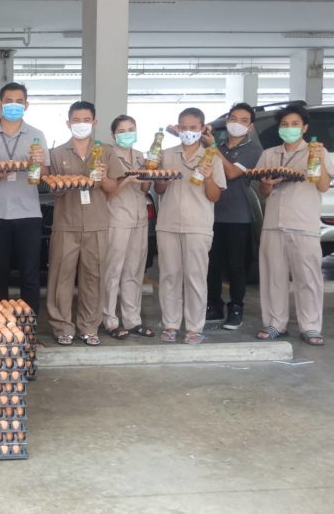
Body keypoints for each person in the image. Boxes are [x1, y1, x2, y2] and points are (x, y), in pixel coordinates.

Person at [46, 100, 125, 346]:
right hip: (65, 223)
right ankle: (62, 326)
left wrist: (103, 178)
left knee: (94, 276)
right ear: (68, 123)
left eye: (86, 120)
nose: (81, 124)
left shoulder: (106, 152)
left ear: (95, 122)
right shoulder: (57, 153)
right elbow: (53, 190)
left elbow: (113, 188)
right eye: (76, 120)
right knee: (61, 276)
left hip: (96, 222)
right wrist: (61, 183)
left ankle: (89, 327)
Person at [255, 103, 332, 345]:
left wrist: (318, 160)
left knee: (308, 277)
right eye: (285, 124)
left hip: (304, 224)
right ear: (279, 128)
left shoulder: (318, 151)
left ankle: (310, 327)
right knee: (273, 276)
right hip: (273, 224)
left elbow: (323, 186)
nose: (289, 128)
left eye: (295, 124)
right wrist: (267, 183)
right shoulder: (269, 154)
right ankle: (275, 323)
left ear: (304, 127)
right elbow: (264, 191)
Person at [154, 107, 226, 345]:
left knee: (195, 277)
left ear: (202, 129)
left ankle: (195, 327)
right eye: (183, 127)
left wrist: (208, 176)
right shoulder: (166, 154)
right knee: (169, 276)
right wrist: (162, 181)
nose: (188, 131)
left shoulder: (212, 157)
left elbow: (215, 196)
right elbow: (159, 189)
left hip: (198, 225)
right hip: (168, 224)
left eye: (193, 127)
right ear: (177, 128)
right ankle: (171, 324)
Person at [0, 82, 48, 312]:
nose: (14, 105)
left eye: (19, 101)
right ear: (0, 103)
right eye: (9, 101)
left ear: (26, 105)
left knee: (29, 274)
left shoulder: (36, 135)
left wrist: (38, 165)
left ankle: (29, 325)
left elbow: (44, 176)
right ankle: (1, 327)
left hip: (28, 213)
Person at [204, 102, 263, 330]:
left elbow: (231, 173)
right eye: (233, 118)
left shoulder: (252, 149)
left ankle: (236, 307)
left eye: (243, 120)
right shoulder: (219, 145)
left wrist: (212, 148)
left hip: (238, 216)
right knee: (212, 264)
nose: (236, 124)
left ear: (250, 127)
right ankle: (214, 306)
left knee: (236, 265)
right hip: (212, 214)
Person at [101, 115, 154, 339]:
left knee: (134, 270)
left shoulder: (141, 156)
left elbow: (144, 190)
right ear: (114, 135)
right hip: (117, 217)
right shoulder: (107, 155)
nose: (127, 134)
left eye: (131, 129)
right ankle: (109, 320)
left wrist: (149, 173)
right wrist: (127, 180)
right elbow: (107, 192)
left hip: (139, 217)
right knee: (112, 271)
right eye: (122, 131)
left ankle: (132, 320)